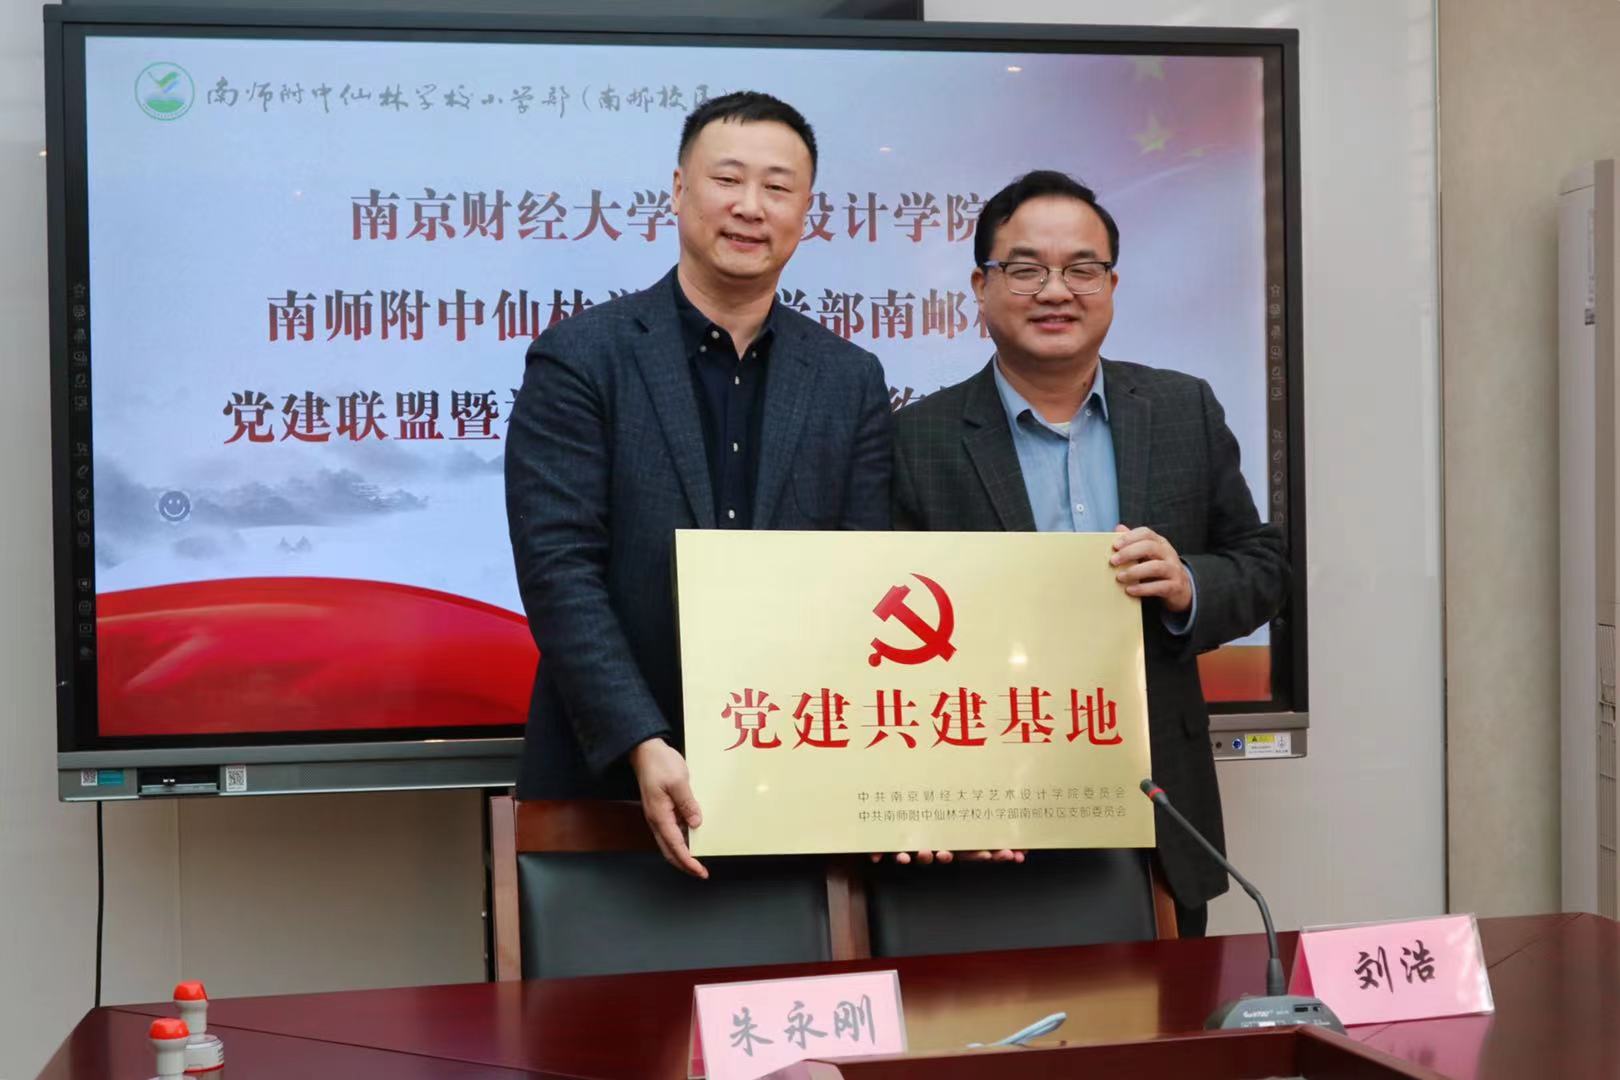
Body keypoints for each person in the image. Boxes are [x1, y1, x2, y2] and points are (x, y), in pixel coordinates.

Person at [890, 170, 1288, 935]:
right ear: (980, 287)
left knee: (1163, 1011)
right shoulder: (917, 439)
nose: (1055, 291)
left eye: (1081, 269)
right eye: (1026, 269)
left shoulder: (1182, 409)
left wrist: (1188, 584)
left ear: (1111, 284)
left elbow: (1264, 565)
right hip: (986, 813)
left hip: (1157, 809)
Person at [505, 92, 892, 878]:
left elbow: (863, 576)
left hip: (796, 775)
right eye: (728, 180)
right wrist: (642, 739)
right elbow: (559, 570)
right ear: (680, 191)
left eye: (778, 187)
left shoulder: (849, 378)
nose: (751, 206)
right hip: (607, 781)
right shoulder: (582, 357)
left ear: (807, 212)